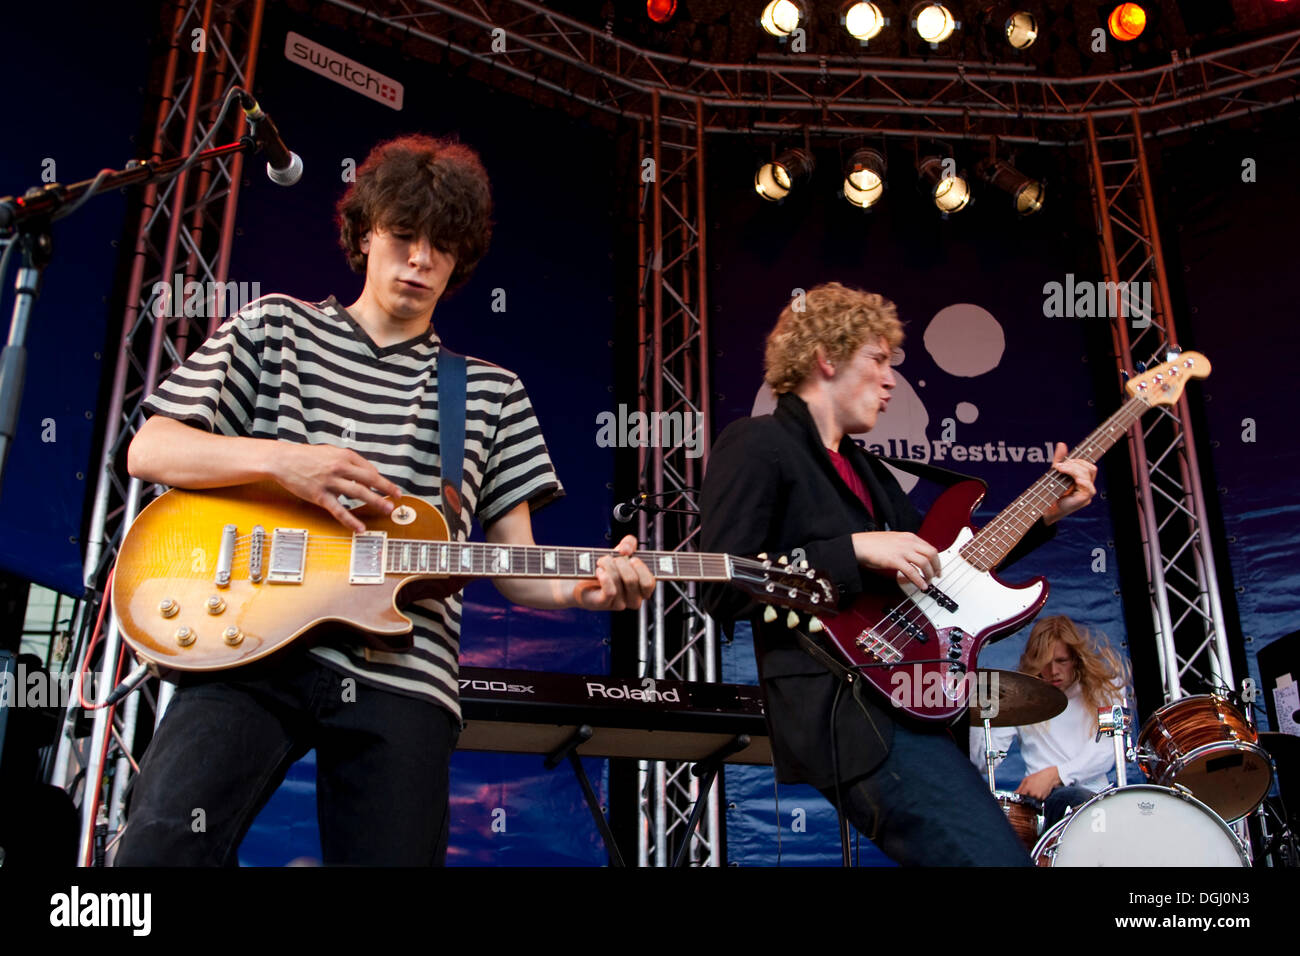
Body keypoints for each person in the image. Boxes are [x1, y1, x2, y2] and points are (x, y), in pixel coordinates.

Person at [114, 134, 654, 866]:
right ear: (365, 231)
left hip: (403, 674)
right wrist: (285, 463)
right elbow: (150, 451)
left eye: (443, 246)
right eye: (404, 236)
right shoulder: (277, 327)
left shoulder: (491, 393)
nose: (422, 260)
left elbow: (519, 565)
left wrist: (587, 592)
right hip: (246, 642)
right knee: (158, 853)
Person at [699, 282, 1099, 866]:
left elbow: (942, 576)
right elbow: (720, 586)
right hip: (848, 707)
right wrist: (853, 548)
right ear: (826, 357)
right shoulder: (758, 444)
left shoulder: (871, 469)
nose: (891, 380)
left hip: (913, 697)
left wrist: (1041, 517)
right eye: (878, 360)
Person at [969, 615, 1129, 829]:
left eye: (1061, 661)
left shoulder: (1107, 687)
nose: (1053, 671)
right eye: (1045, 663)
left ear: (1075, 658)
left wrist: (1057, 775)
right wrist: (976, 714)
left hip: (1091, 800)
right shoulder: (1020, 694)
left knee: (1067, 797)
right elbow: (983, 761)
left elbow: (1106, 751)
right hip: (1038, 805)